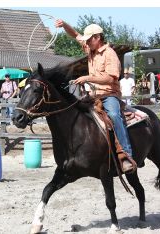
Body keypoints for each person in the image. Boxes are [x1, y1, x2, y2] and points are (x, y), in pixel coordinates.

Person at [55, 20, 137, 173]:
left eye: (89, 39)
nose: (86, 42)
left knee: (113, 114)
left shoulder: (109, 54)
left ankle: (126, 154)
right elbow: (76, 35)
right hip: (93, 96)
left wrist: (87, 78)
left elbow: (111, 78)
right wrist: (65, 24)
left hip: (109, 95)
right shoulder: (90, 48)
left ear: (97, 38)